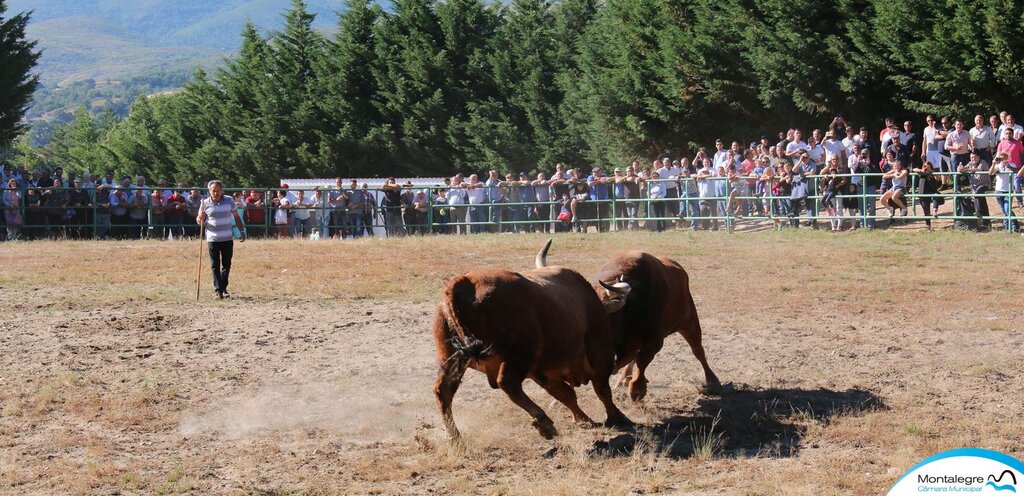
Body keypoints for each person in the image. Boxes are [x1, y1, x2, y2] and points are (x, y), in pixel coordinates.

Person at [196, 180, 246, 299]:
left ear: (221, 190)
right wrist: (200, 218)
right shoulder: (205, 202)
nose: (216, 193)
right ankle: (218, 290)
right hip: (212, 238)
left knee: (227, 264)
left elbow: (236, 216)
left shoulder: (229, 200)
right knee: (215, 265)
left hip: (227, 237)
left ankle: (224, 288)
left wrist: (242, 231)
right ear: (209, 191)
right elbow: (199, 220)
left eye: (218, 190)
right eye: (213, 191)